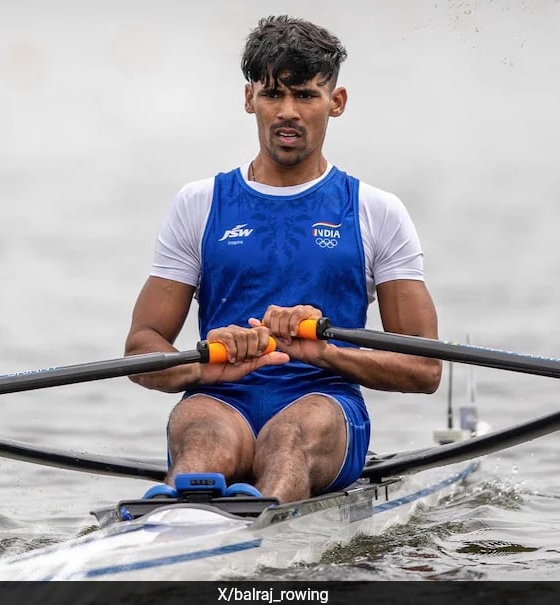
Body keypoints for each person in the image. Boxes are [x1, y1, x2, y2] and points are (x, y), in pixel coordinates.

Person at [124, 15, 441, 504]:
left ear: (336, 103)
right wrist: (200, 369)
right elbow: (140, 351)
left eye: (306, 95)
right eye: (273, 94)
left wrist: (327, 353)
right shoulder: (199, 203)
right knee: (204, 439)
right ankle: (175, 536)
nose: (288, 111)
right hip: (220, 397)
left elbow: (425, 368)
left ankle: (261, 547)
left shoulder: (376, 211)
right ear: (249, 98)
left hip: (324, 401)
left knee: (286, 437)